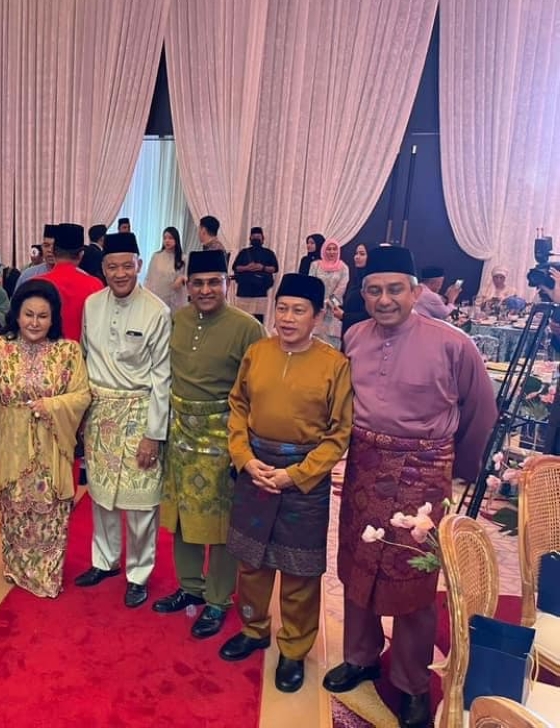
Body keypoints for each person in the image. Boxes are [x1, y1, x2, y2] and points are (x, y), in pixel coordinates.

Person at [322, 245, 497, 728]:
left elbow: (481, 410)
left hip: (423, 473)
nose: (384, 300)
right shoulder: (353, 336)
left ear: (416, 292)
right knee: (358, 565)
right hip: (365, 466)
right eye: (374, 290)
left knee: (413, 581)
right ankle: (360, 657)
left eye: (395, 289)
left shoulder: (452, 343)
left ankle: (411, 682)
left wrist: (458, 467)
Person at [219, 273, 352, 694]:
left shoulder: (335, 364)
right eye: (283, 308)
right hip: (255, 468)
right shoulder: (258, 353)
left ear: (317, 316)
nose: (288, 318)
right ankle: (254, 629)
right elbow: (238, 405)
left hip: (304, 478)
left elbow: (339, 434)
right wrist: (244, 458)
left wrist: (296, 474)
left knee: (299, 571)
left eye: (298, 310)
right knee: (252, 563)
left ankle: (294, 650)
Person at [153, 249, 265, 639]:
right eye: (198, 283)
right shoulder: (177, 320)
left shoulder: (247, 327)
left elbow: (256, 390)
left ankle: (218, 599)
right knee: (181, 518)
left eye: (213, 282)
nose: (205, 290)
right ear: (188, 285)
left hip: (223, 437)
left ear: (227, 285)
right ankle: (189, 588)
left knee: (220, 526)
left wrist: (245, 446)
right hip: (181, 433)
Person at [0, 280, 91, 597]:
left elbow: (82, 396)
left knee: (51, 509)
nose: (35, 323)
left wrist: (51, 405)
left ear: (54, 318)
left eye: (43, 316)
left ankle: (47, 575)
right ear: (17, 314)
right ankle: (17, 566)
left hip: (51, 443)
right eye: (28, 314)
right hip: (11, 441)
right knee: (14, 506)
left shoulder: (68, 351)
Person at [77, 232, 171, 608]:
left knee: (141, 501)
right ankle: (104, 561)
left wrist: (154, 433)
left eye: (126, 265)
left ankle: (139, 573)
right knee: (101, 496)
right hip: (100, 411)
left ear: (139, 265)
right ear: (103, 268)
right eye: (112, 266)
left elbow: (162, 376)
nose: (120, 273)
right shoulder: (91, 304)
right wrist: (82, 415)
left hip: (138, 410)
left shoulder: (157, 311)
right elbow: (84, 358)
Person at [39, 223, 104, 342]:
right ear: (81, 255)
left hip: (44, 356)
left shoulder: (35, 283)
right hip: (81, 356)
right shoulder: (95, 285)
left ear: (53, 251)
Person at [232, 227, 279, 323]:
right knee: (242, 318)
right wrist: (247, 268)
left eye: (258, 237)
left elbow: (275, 268)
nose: (256, 239)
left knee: (259, 320)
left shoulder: (268, 253)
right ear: (250, 238)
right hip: (244, 290)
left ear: (263, 238)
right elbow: (235, 267)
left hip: (260, 290)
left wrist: (263, 267)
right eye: (254, 237)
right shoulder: (244, 252)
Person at [308, 239, 349, 349]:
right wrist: (320, 302)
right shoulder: (315, 265)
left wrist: (329, 302)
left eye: (334, 249)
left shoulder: (344, 267)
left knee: (332, 345)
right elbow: (311, 284)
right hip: (317, 306)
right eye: (328, 249)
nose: (331, 252)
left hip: (334, 309)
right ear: (323, 250)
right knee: (314, 341)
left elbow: (342, 288)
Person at [144, 226, 188, 311]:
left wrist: (182, 279)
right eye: (165, 238)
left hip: (175, 299)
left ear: (176, 239)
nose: (167, 241)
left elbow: (187, 278)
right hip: (157, 297)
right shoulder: (156, 256)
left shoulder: (183, 258)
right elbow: (149, 278)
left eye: (170, 238)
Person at [336, 243, 370, 341]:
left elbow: (369, 315)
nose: (357, 257)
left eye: (362, 254)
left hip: (362, 335)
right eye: (356, 253)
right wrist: (340, 308)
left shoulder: (372, 283)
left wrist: (344, 316)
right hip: (348, 330)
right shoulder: (355, 279)